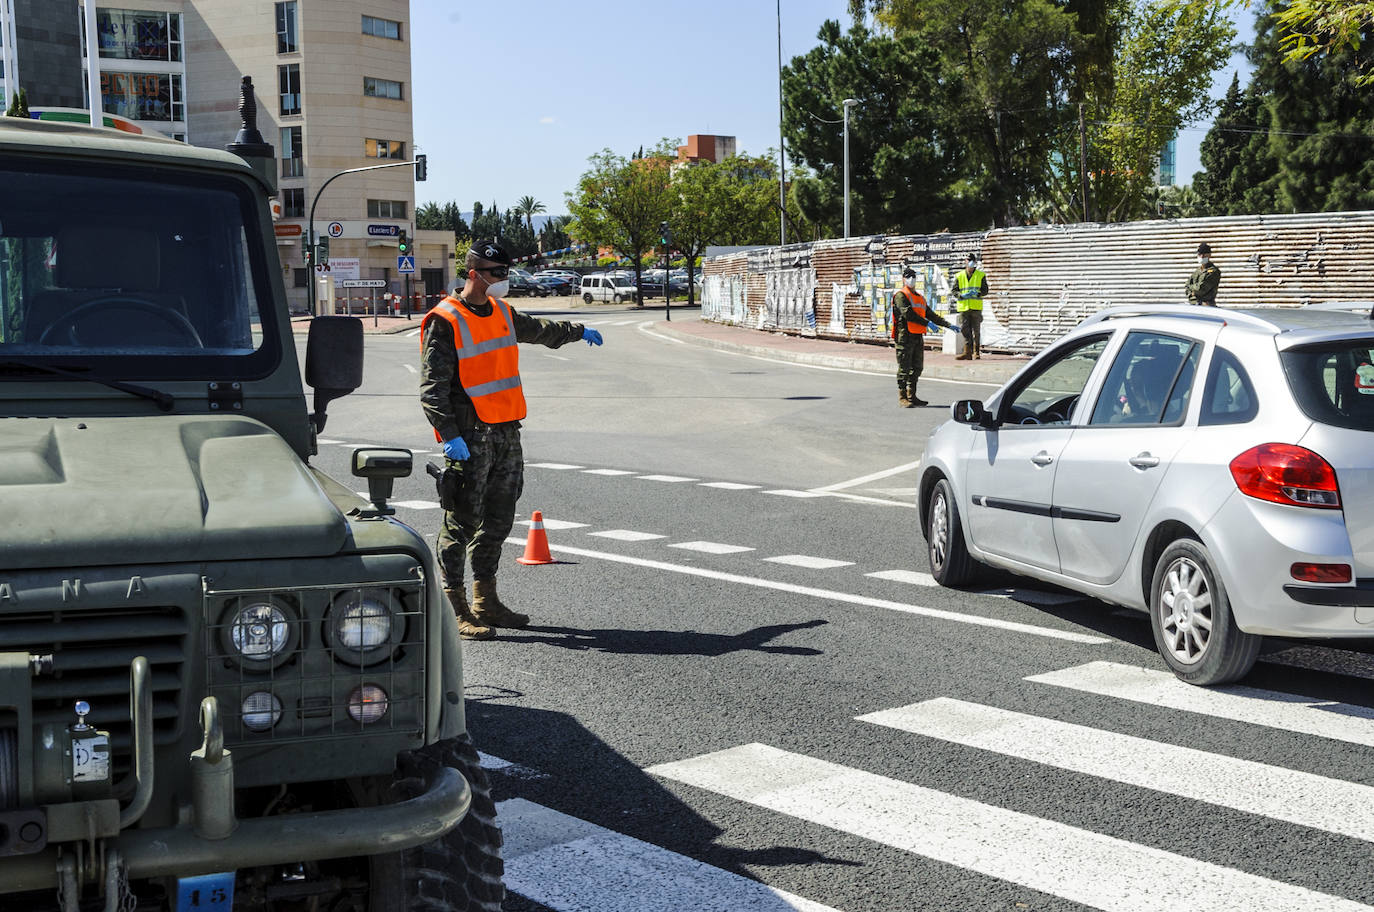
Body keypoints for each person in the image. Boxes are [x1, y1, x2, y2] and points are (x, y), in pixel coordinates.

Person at [420, 241, 604, 640]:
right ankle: (455, 607)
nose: (504, 280)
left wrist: (577, 331)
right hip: (469, 436)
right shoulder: (445, 320)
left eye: (506, 272)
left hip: (505, 430)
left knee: (500, 518)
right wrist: (450, 436)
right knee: (461, 522)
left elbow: (540, 330)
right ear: (473, 274)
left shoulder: (502, 311)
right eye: (497, 273)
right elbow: (433, 389)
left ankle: (486, 600)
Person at [891, 265, 955, 407]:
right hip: (904, 337)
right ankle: (902, 397)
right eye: (908, 277)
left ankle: (911, 396)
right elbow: (908, 314)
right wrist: (927, 324)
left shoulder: (919, 298)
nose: (911, 279)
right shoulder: (901, 296)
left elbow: (931, 314)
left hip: (917, 337)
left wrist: (948, 325)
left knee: (917, 367)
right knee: (904, 368)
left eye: (913, 276)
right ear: (903, 279)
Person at [953, 254, 988, 360]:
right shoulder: (959, 275)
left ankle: (976, 352)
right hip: (964, 307)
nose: (970, 262)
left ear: (975, 262)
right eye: (968, 260)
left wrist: (977, 294)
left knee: (976, 331)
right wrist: (961, 295)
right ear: (965, 261)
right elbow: (954, 291)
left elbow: (985, 290)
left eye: (972, 260)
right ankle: (967, 352)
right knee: (965, 330)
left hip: (976, 307)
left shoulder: (980, 275)